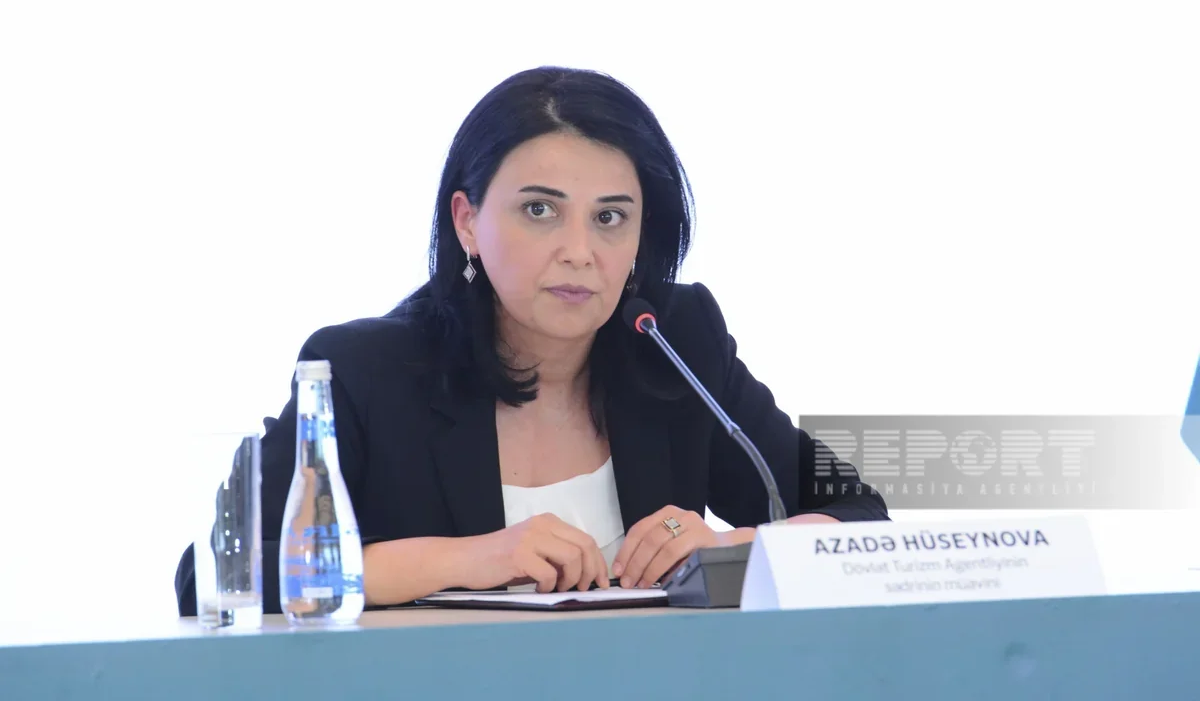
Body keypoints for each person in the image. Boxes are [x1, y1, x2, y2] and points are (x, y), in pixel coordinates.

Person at [174, 66, 888, 615]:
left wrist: (733, 547)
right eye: (541, 210)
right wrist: (471, 559)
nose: (579, 251)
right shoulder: (365, 373)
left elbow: (860, 519)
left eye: (610, 218)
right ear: (467, 221)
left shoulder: (677, 341)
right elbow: (215, 574)